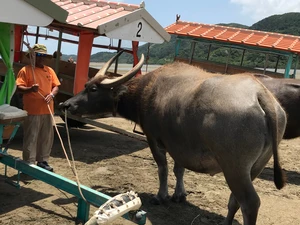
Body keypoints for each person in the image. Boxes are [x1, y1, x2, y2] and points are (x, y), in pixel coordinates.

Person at [16, 44, 61, 172]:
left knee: (46, 137)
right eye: (38, 55)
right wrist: (31, 89)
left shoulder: (49, 70)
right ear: (32, 56)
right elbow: (19, 88)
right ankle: (29, 163)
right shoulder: (25, 70)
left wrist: (52, 94)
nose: (41, 58)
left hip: (48, 110)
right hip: (33, 111)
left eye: (43, 56)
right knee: (32, 136)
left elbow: (56, 86)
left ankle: (42, 160)